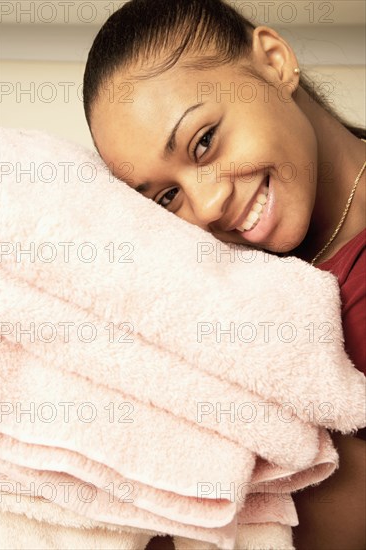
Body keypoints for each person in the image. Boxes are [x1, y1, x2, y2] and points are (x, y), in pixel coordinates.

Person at [82, 1, 366, 548]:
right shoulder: (219, 299)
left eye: (204, 141)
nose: (207, 204)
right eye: (168, 197)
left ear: (275, 62)